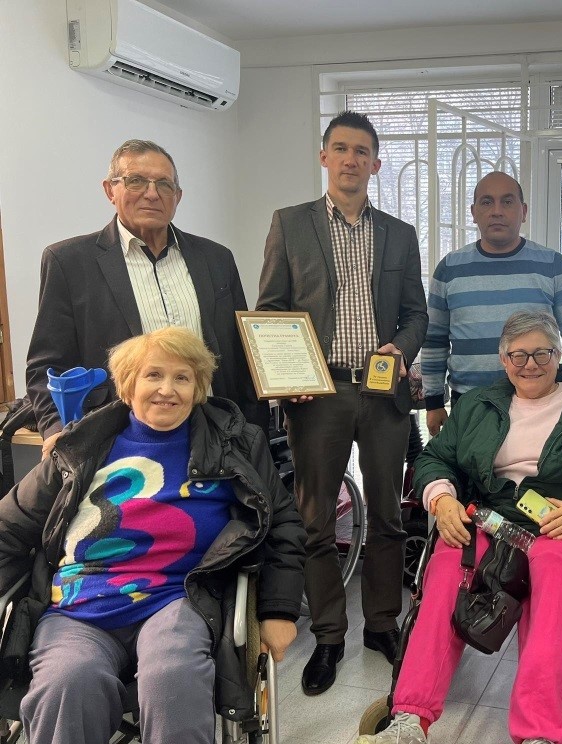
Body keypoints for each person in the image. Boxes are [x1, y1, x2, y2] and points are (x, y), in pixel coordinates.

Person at [0, 327, 306, 744]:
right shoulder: (79, 447)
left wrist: (279, 610)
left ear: (198, 388)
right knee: (68, 683)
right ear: (128, 385)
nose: (167, 389)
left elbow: (283, 521)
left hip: (178, 597)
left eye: (182, 377)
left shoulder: (235, 444)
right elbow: (8, 527)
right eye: (153, 375)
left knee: (172, 676)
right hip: (78, 604)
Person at [358, 310, 562, 744]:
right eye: (518, 355)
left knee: (556, 581)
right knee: (447, 572)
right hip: (489, 518)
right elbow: (435, 459)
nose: (530, 364)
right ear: (503, 360)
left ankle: (540, 732)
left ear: (558, 353)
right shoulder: (478, 405)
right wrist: (442, 498)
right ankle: (409, 718)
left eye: (541, 353)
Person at [257, 110, 428, 693]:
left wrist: (402, 347)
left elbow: (417, 314)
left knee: (387, 515)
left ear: (376, 164)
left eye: (362, 151)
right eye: (341, 148)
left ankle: (382, 624)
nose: (351, 159)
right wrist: (289, 373)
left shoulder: (400, 234)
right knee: (316, 520)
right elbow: (271, 309)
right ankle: (329, 635)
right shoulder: (290, 224)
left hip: (382, 392)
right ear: (324, 157)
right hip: (318, 393)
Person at [26, 139, 267, 458]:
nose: (152, 194)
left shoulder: (216, 259)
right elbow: (46, 365)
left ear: (178, 196)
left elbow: (242, 356)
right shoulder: (68, 262)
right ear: (110, 190)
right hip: (117, 441)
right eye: (136, 181)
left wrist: (254, 433)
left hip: (215, 437)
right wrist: (56, 429)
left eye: (164, 184)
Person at [421, 171, 562, 436]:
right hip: (471, 407)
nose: (497, 211)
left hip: (539, 406)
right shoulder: (450, 269)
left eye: (507, 202)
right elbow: (434, 340)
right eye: (487, 202)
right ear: (473, 212)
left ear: (524, 211)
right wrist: (434, 401)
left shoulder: (552, 265)